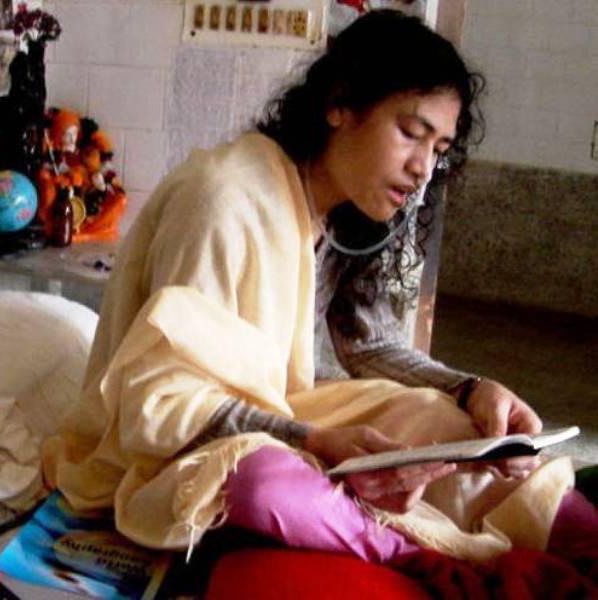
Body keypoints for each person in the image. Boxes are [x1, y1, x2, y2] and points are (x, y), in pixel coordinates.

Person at [42, 10, 597, 568]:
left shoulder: (348, 212)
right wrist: (307, 440)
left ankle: (574, 535)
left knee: (445, 426)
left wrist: (471, 391)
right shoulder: (224, 199)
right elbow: (160, 405)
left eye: (439, 150)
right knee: (261, 481)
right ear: (339, 104)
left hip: (279, 416)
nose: (422, 169)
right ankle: (423, 557)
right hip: (167, 447)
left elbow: (368, 346)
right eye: (411, 134)